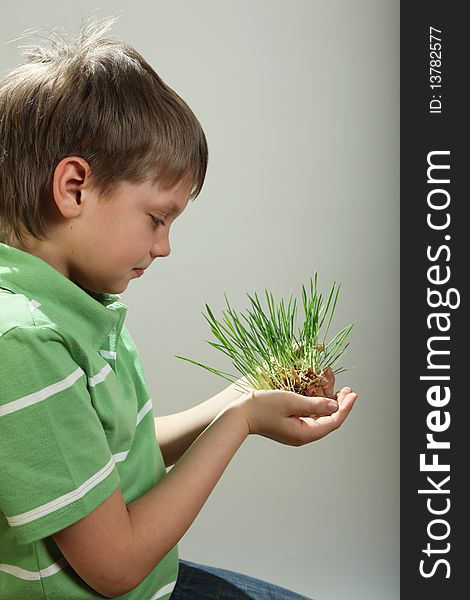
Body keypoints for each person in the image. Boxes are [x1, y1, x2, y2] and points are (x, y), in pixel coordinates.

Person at [0, 15, 357, 600]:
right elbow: (115, 568)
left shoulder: (75, 305)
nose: (164, 246)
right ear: (73, 188)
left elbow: (108, 458)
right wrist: (240, 425)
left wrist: (242, 398)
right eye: (158, 217)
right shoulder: (25, 340)